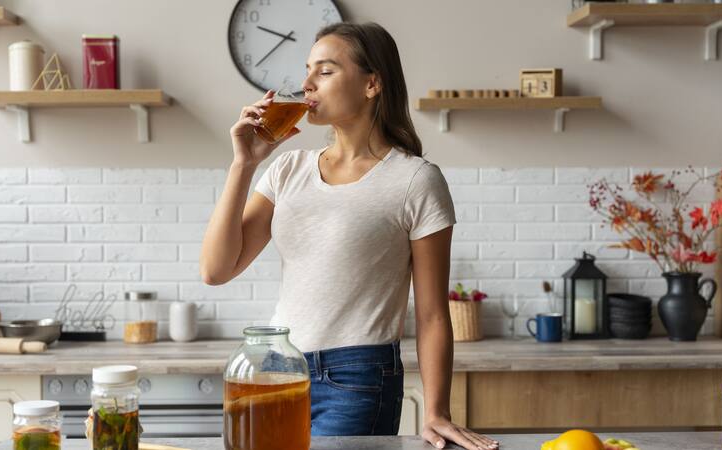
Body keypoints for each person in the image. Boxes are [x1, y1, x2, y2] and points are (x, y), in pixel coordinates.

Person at [200, 21, 498, 450]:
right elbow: (215, 269)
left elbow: (433, 314)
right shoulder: (288, 169)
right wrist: (243, 164)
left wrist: (437, 412)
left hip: (357, 378)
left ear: (372, 83)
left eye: (324, 71)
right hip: (277, 369)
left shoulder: (415, 180)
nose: (305, 84)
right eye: (307, 70)